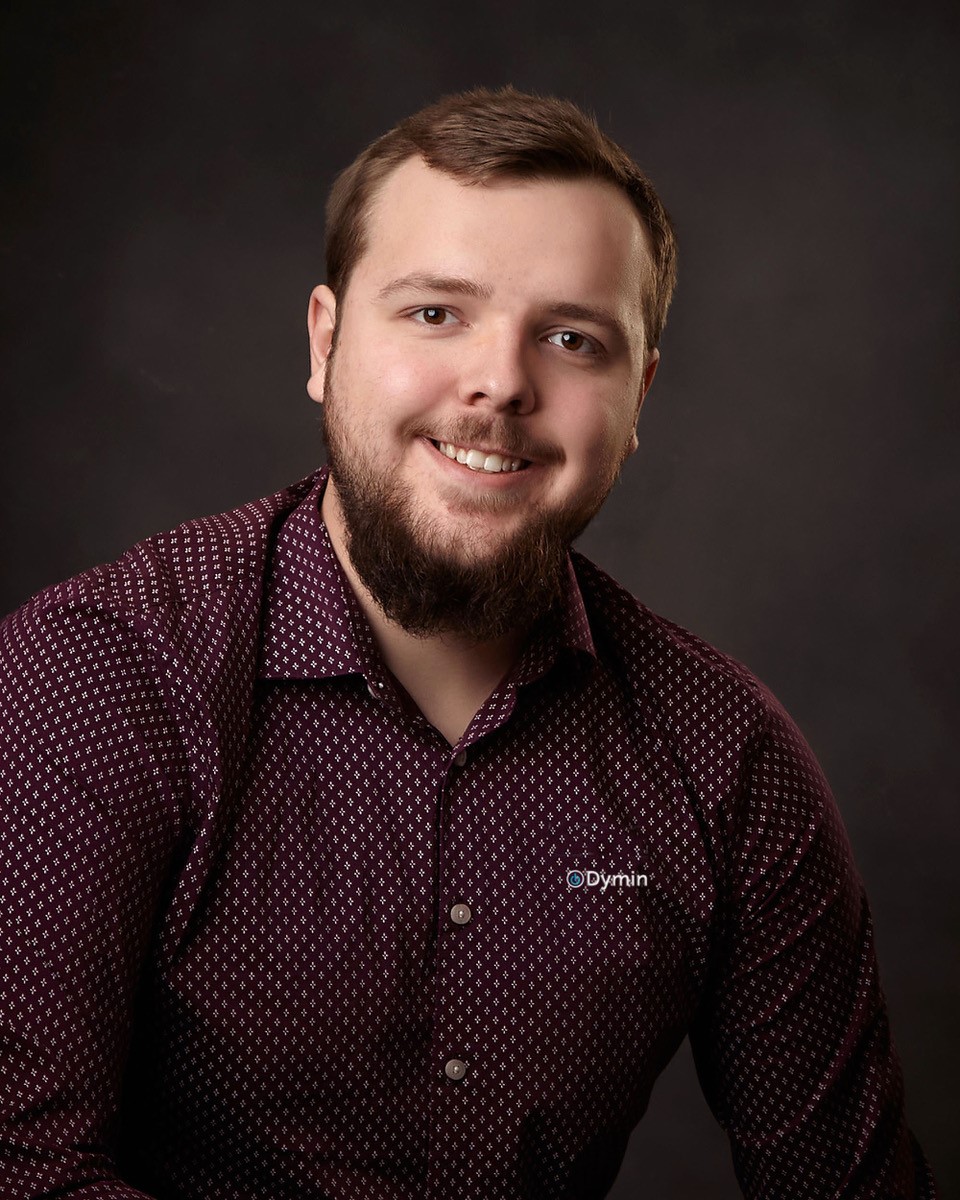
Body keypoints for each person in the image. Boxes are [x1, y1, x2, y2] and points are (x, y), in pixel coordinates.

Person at [0, 87, 937, 1200]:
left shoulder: (727, 757)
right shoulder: (98, 673)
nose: (500, 383)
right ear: (326, 340)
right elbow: (26, 1167)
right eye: (436, 313)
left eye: (572, 337)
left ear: (635, 400)